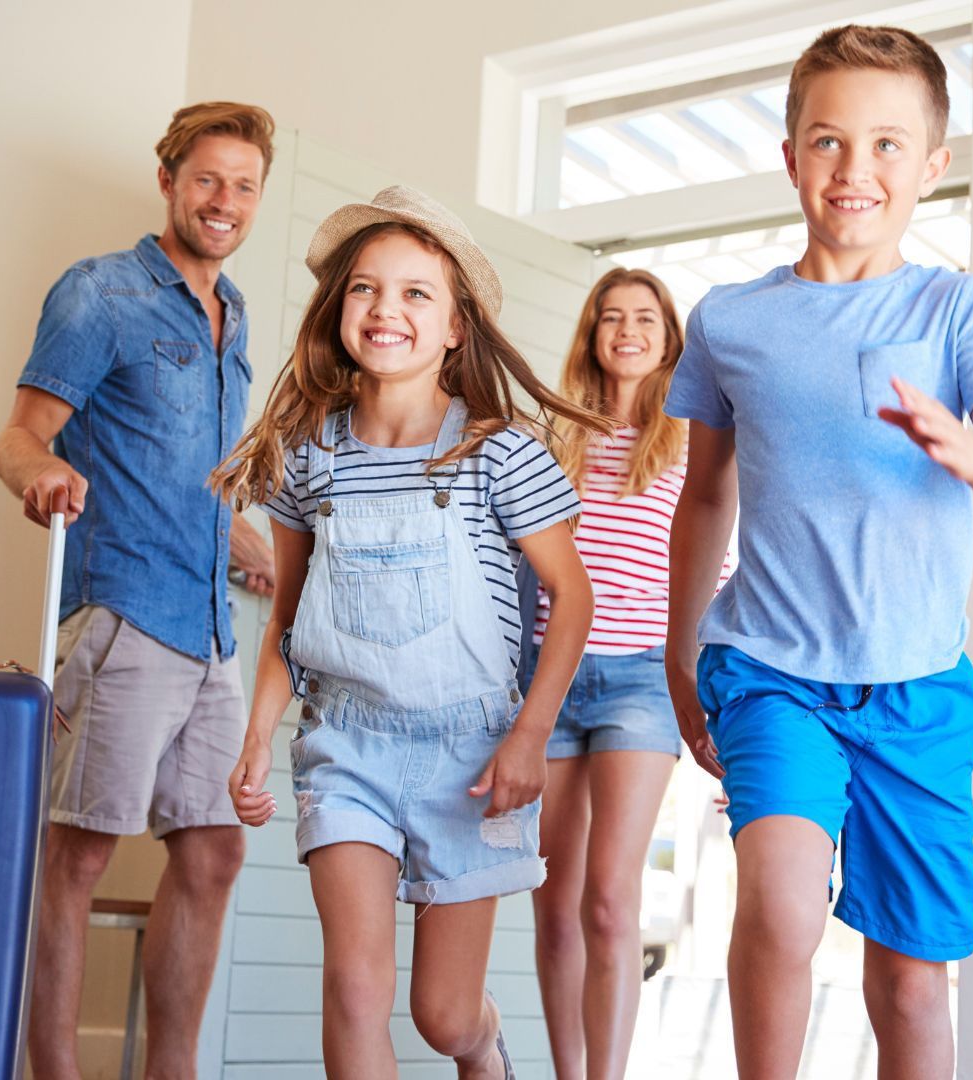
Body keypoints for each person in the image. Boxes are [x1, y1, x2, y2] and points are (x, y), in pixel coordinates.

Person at [662, 25, 973, 1080]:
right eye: (830, 142)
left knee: (911, 981)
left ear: (932, 166)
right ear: (791, 156)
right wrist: (679, 652)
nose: (856, 170)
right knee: (783, 906)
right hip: (769, 669)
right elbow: (704, 496)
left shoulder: (958, 308)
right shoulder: (732, 320)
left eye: (889, 145)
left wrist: (964, 445)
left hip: (918, 687)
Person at [210, 186, 610, 1080]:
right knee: (355, 988)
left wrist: (530, 738)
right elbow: (290, 616)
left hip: (473, 759)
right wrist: (256, 733)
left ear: (457, 326)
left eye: (416, 293)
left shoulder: (498, 453)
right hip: (346, 746)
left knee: (440, 1015)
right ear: (338, 308)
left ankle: (484, 1045)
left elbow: (571, 597)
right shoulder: (310, 453)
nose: (386, 309)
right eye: (364, 288)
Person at [0, 102, 278, 1080]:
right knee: (77, 858)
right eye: (208, 179)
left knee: (213, 854)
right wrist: (39, 472)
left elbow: (186, 470)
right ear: (168, 179)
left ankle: (174, 1072)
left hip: (208, 632)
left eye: (244, 185)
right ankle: (57, 1072)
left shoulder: (233, 315)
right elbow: (19, 434)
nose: (225, 201)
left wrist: (238, 538)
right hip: (121, 616)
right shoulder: (101, 293)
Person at [528, 267, 731, 1080]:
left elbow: (714, 576)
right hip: (552, 676)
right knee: (552, 902)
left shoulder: (690, 439)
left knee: (609, 900)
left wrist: (718, 697)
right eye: (610, 318)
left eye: (644, 318)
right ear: (591, 335)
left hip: (644, 680)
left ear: (669, 336)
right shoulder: (555, 436)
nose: (626, 331)